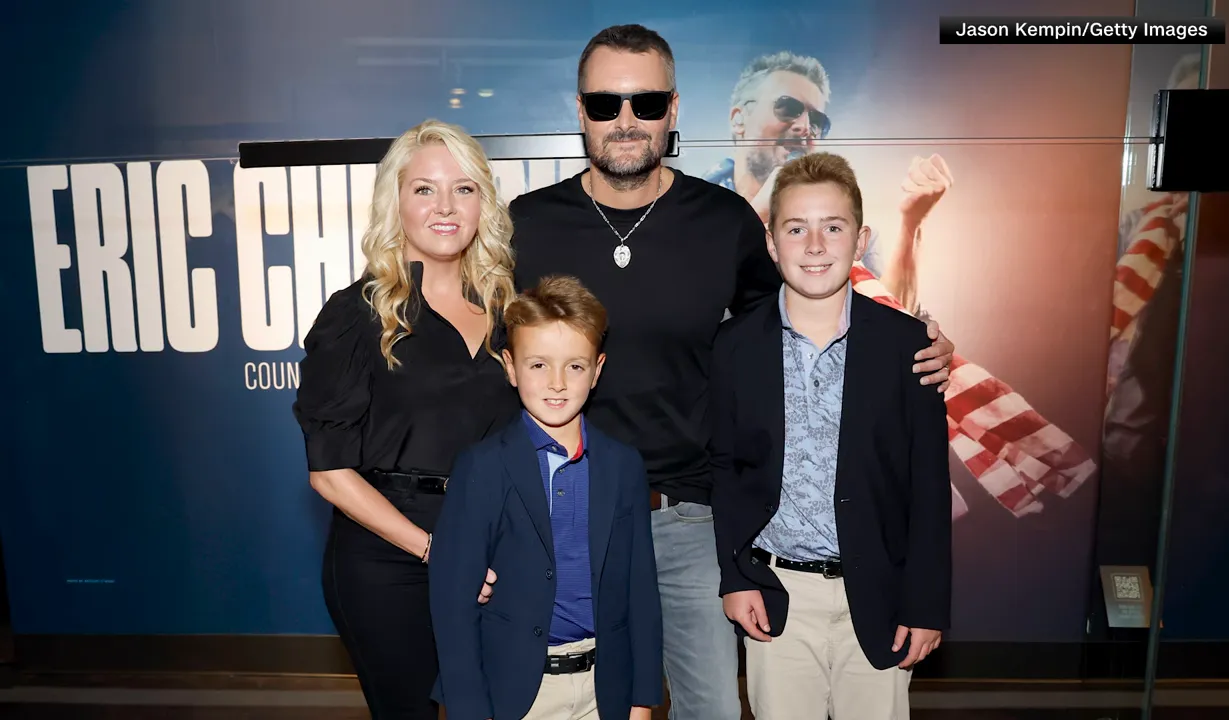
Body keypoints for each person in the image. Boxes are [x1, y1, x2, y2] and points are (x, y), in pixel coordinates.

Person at [505, 24, 955, 719]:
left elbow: (801, 324)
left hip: (686, 521)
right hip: (567, 512)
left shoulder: (726, 222)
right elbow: (484, 358)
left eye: (647, 103)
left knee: (711, 708)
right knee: (570, 706)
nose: (627, 121)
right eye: (606, 104)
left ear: (675, 110)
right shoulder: (526, 225)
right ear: (580, 110)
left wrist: (912, 336)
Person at [710, 152, 952, 720]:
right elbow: (726, 471)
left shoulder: (908, 346)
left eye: (833, 227)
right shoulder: (735, 347)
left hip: (881, 596)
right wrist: (735, 576)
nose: (815, 245)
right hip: (777, 597)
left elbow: (928, 487)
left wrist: (926, 604)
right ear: (771, 243)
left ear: (860, 238)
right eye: (796, 229)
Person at [291, 119, 520, 719]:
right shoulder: (355, 316)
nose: (445, 207)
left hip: (496, 551)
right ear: (396, 200)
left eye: (464, 189)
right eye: (424, 189)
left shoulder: (511, 310)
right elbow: (330, 473)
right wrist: (435, 551)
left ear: (484, 203)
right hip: (389, 560)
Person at [429, 275, 664, 720]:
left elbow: (641, 590)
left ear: (597, 371)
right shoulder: (481, 467)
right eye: (538, 365)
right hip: (516, 696)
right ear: (510, 367)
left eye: (574, 366)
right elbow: (452, 607)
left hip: (605, 691)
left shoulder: (622, 465)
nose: (557, 382)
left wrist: (642, 699)